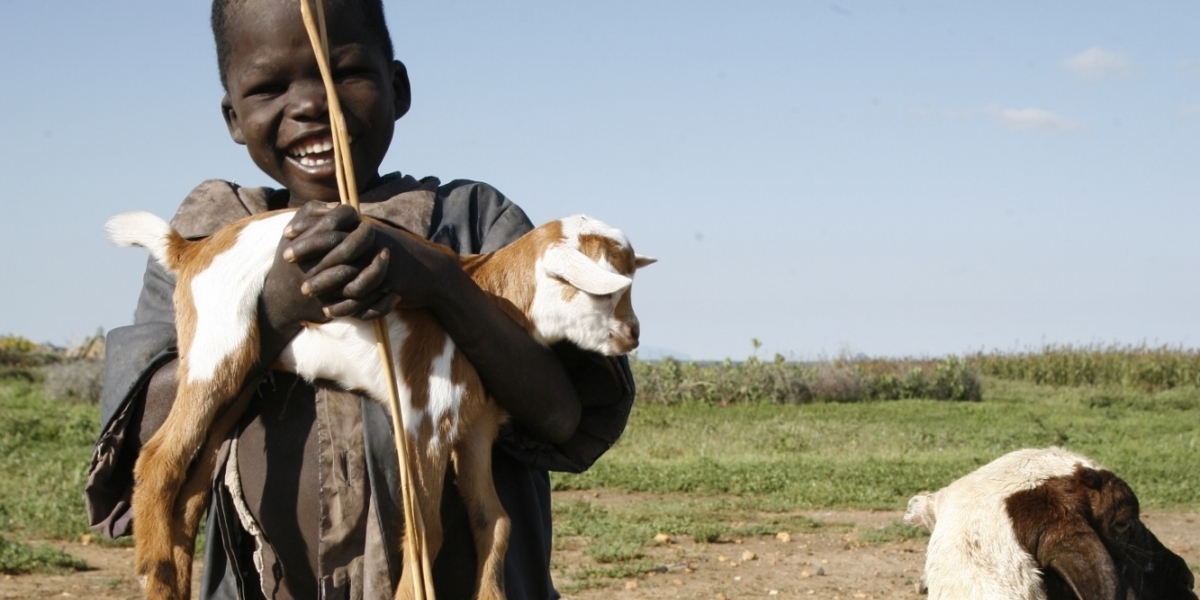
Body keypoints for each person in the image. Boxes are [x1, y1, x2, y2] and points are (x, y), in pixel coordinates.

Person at [84, 1, 635, 598]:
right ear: (233, 117)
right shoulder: (212, 235)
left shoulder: (475, 225)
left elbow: (560, 412)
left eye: (344, 73)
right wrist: (270, 310)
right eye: (269, 87)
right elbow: (150, 420)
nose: (311, 104)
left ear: (396, 87)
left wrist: (443, 282)